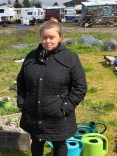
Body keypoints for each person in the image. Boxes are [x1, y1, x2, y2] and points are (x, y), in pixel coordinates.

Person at [16, 19, 87, 156]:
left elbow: (80, 87)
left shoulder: (70, 58)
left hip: (58, 114)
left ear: (60, 37)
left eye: (52, 37)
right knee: (36, 141)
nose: (47, 41)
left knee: (59, 143)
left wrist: (65, 107)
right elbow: (21, 80)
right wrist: (22, 101)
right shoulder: (31, 56)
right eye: (44, 37)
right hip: (33, 111)